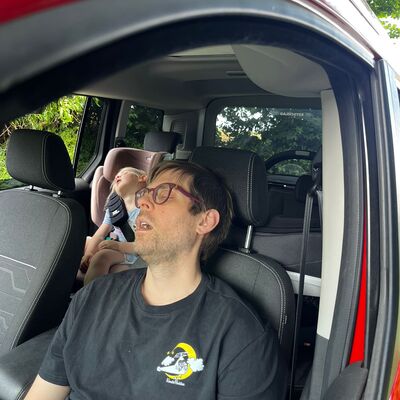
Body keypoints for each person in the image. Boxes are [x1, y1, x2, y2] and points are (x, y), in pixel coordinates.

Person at [25, 160, 284, 400]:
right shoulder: (91, 297)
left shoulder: (242, 336)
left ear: (205, 221)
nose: (143, 203)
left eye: (163, 193)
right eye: (145, 193)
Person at [80, 167, 146, 285]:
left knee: (102, 256)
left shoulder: (146, 209)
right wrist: (89, 253)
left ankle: (89, 294)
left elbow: (145, 246)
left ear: (142, 178)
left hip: (133, 253)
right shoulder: (115, 207)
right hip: (114, 244)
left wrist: (117, 246)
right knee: (83, 242)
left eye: (124, 172)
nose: (117, 176)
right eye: (116, 175)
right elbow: (100, 234)